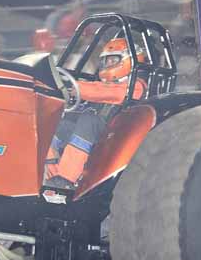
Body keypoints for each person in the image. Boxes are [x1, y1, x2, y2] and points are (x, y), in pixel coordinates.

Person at [46, 38, 147, 187]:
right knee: (59, 125)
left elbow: (105, 92)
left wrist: (77, 88)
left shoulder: (136, 86)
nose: (108, 64)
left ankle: (67, 179)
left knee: (88, 120)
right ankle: (51, 181)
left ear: (129, 60)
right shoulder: (106, 85)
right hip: (95, 131)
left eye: (113, 60)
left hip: (116, 134)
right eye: (106, 61)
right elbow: (97, 89)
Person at [170, 0, 200, 90]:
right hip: (182, 60)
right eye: (184, 7)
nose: (187, 9)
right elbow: (175, 43)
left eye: (189, 7)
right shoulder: (177, 24)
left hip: (195, 60)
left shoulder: (197, 22)